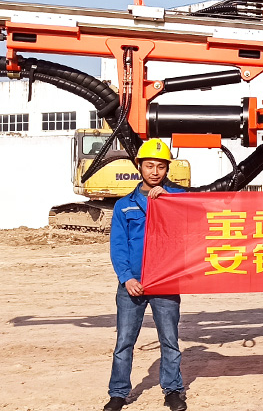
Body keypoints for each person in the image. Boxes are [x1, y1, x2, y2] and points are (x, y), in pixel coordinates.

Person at [104, 139, 188, 411]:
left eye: (161, 167)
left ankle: (173, 391)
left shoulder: (177, 200)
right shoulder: (123, 206)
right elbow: (118, 246)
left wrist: (168, 201)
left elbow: (194, 227)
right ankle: (118, 393)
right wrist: (127, 278)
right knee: (124, 342)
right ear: (138, 166)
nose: (155, 172)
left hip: (165, 282)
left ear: (167, 169)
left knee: (170, 341)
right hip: (133, 285)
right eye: (149, 165)